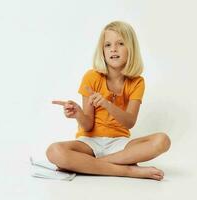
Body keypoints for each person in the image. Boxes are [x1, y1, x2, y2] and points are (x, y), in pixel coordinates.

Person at [46, 21, 171, 181]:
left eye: (120, 43)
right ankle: (128, 171)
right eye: (107, 45)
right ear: (102, 50)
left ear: (131, 49)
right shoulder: (91, 77)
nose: (113, 49)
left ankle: (89, 165)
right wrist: (78, 114)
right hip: (89, 143)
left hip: (120, 145)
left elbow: (130, 122)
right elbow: (87, 125)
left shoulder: (137, 82)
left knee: (162, 141)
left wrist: (106, 104)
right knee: (53, 151)